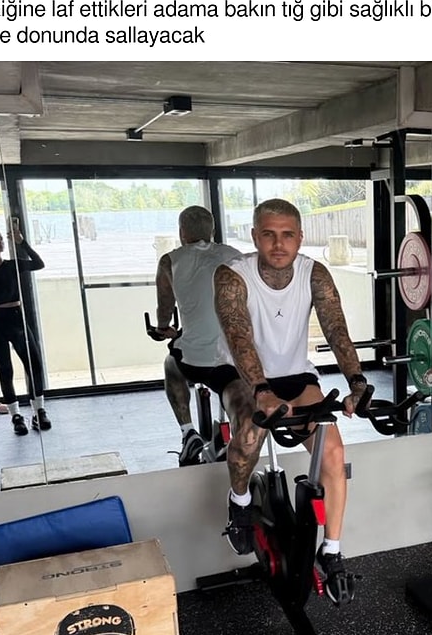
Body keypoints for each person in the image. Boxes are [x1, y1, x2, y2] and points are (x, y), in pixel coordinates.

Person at [213, 197, 370, 605]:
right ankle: (240, 501)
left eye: (287, 235)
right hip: (241, 374)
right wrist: (261, 391)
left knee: (333, 452)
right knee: (249, 435)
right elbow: (238, 336)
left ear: (300, 237)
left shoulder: (313, 273)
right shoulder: (232, 276)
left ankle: (331, 551)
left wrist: (356, 381)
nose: (278, 244)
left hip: (295, 372)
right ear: (255, 237)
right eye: (269, 235)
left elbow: (336, 329)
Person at [153, 205, 242, 465]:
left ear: (182, 232)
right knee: (234, 384)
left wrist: (162, 328)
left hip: (195, 363)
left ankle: (188, 432)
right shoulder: (235, 255)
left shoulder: (170, 260)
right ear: (212, 231)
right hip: (236, 357)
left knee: (171, 364)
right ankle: (239, 436)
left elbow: (165, 308)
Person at [0, 221, 51, 436]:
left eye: (1, 238)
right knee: (5, 370)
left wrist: (21, 242)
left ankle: (39, 411)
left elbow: (39, 264)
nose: (0, 242)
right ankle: (16, 416)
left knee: (34, 365)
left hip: (17, 319)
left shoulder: (12, 265)